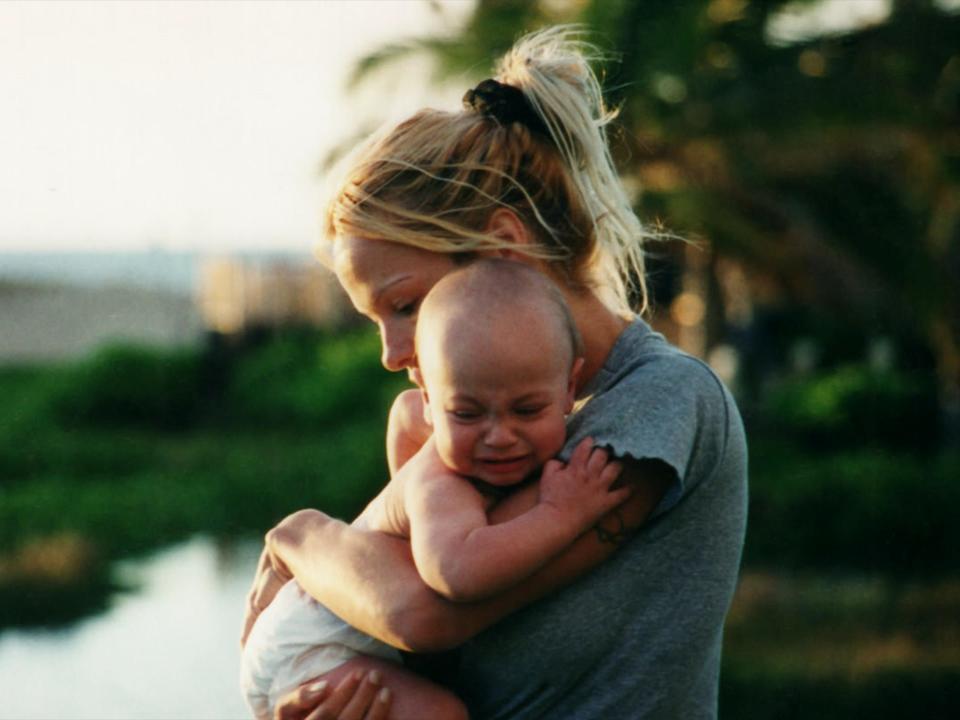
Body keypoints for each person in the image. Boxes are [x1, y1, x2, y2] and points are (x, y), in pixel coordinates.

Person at [243, 25, 748, 720]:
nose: (392, 353)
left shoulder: (662, 404)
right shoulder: (472, 428)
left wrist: (301, 536)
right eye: (375, 320)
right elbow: (413, 649)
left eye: (407, 305)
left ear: (504, 249)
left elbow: (424, 611)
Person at [240, 259, 627, 719]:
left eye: (527, 410)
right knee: (443, 714)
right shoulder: (441, 483)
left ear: (569, 388)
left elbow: (404, 415)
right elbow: (457, 572)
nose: (500, 436)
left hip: (330, 625)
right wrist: (563, 515)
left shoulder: (436, 428)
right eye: (466, 414)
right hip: (309, 647)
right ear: (432, 402)